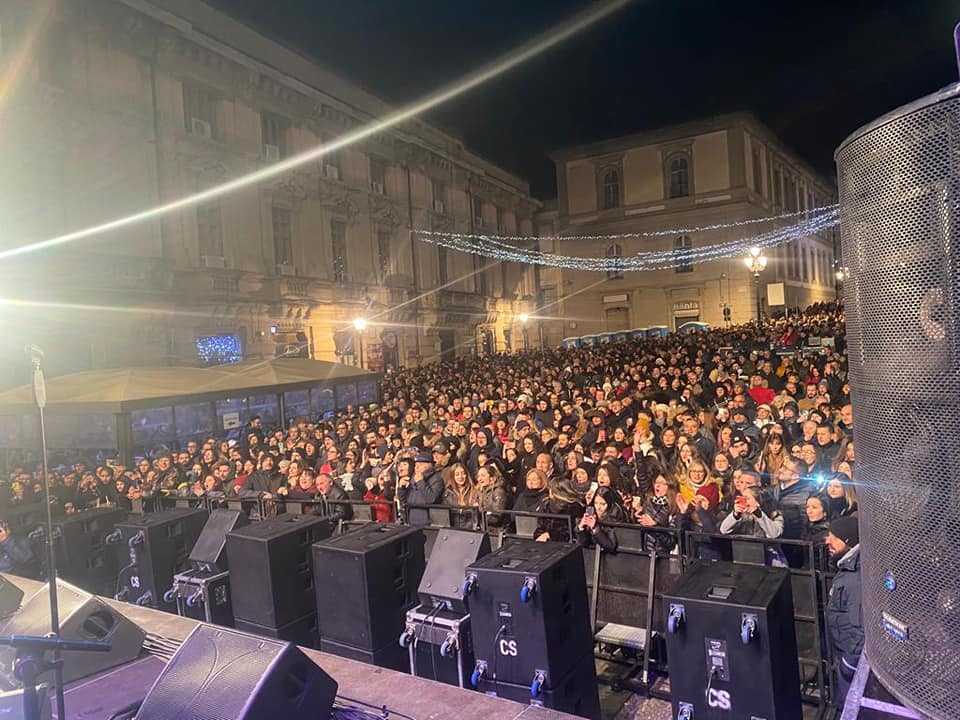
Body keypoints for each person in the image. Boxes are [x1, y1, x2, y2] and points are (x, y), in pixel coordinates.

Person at [824, 515, 863, 707]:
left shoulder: (855, 579)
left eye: (833, 536)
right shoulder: (848, 566)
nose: (827, 540)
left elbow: (861, 629)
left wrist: (848, 664)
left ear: (848, 540)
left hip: (850, 664)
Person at [577, 486, 621, 551]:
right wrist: (581, 528)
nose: (598, 507)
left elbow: (611, 546)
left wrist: (595, 529)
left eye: (603, 504)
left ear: (610, 505)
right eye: (596, 503)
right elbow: (583, 544)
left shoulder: (615, 517)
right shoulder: (591, 513)